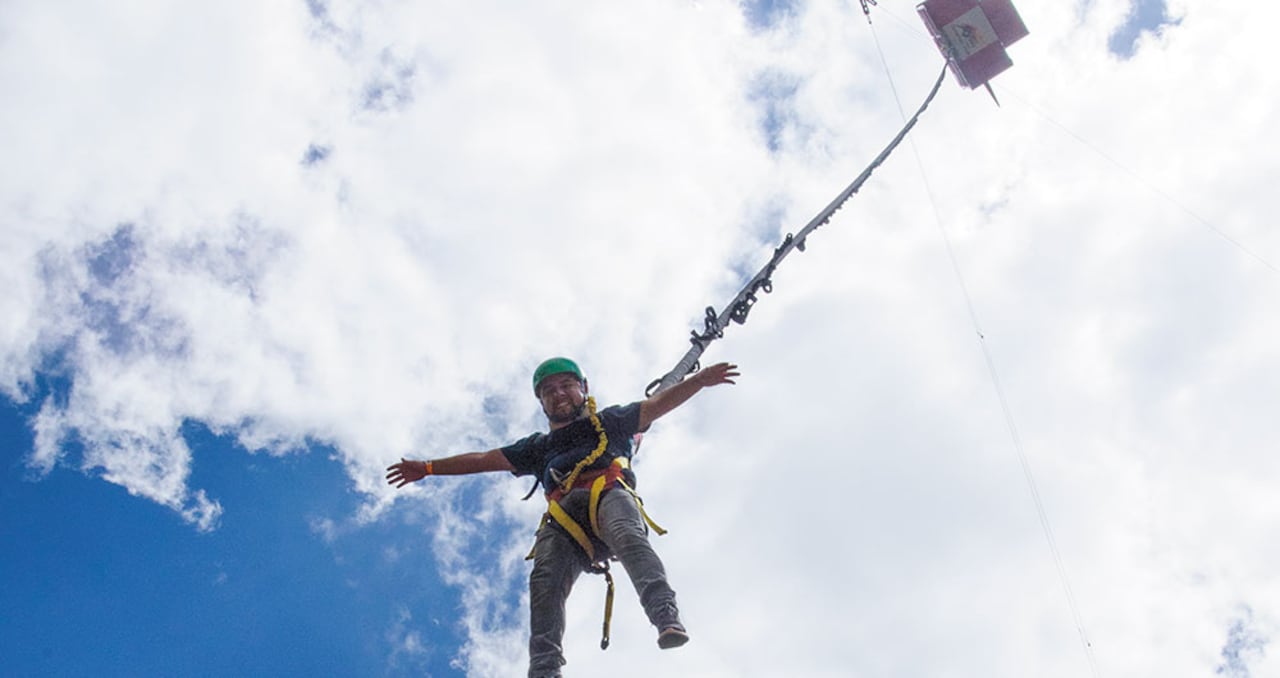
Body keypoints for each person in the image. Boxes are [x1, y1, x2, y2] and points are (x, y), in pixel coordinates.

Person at [386, 357, 740, 678]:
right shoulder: (538, 448)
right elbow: (483, 459)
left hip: (606, 496)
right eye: (549, 391)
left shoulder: (610, 422)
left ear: (583, 389)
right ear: (542, 403)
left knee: (627, 535)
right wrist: (429, 468)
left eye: (566, 385)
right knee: (543, 581)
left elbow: (656, 405)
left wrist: (699, 381)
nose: (558, 394)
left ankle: (665, 616)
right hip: (565, 519)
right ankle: (544, 669)